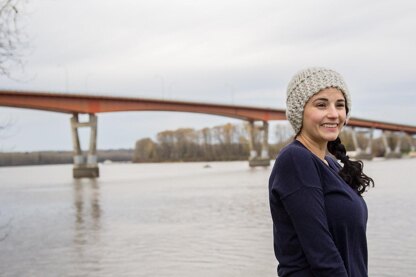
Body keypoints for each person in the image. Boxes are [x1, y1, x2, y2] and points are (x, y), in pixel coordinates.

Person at [268, 67, 374, 277]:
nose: (334, 114)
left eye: (340, 105)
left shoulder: (330, 164)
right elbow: (323, 256)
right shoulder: (295, 160)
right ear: (300, 111)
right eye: (321, 104)